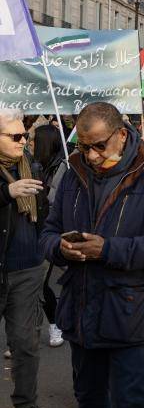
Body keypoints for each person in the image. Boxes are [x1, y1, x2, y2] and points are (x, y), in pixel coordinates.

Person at [40, 102, 144, 408]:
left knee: (129, 407)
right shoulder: (73, 172)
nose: (91, 155)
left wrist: (107, 249)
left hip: (130, 316)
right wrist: (60, 248)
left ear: (121, 135)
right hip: (80, 311)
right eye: (83, 146)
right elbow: (48, 231)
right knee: (89, 400)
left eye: (98, 145)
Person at [0, 109, 51, 408]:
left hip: (27, 269)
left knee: (26, 344)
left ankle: (26, 405)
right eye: (15, 136)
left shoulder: (31, 164)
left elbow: (44, 213)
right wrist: (6, 192)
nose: (23, 141)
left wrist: (45, 248)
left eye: (25, 135)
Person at [29, 124, 67, 348]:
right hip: (30, 229)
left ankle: (54, 324)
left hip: (48, 232)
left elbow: (55, 202)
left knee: (39, 283)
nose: (29, 143)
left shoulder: (62, 167)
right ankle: (23, 338)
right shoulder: (30, 165)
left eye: (33, 140)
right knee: (32, 285)